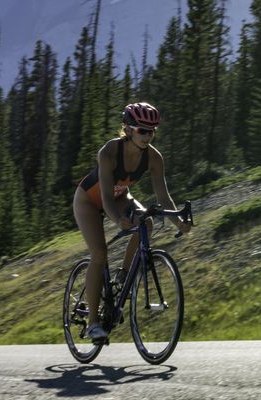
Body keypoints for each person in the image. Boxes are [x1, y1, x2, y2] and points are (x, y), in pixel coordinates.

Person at [73, 101, 190, 343]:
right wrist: (118, 220)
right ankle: (93, 323)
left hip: (120, 197)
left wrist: (179, 223)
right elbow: (105, 197)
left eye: (152, 131)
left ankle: (123, 275)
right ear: (127, 129)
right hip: (89, 201)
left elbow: (163, 197)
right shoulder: (109, 152)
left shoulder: (154, 158)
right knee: (100, 253)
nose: (148, 136)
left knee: (146, 223)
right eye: (142, 130)